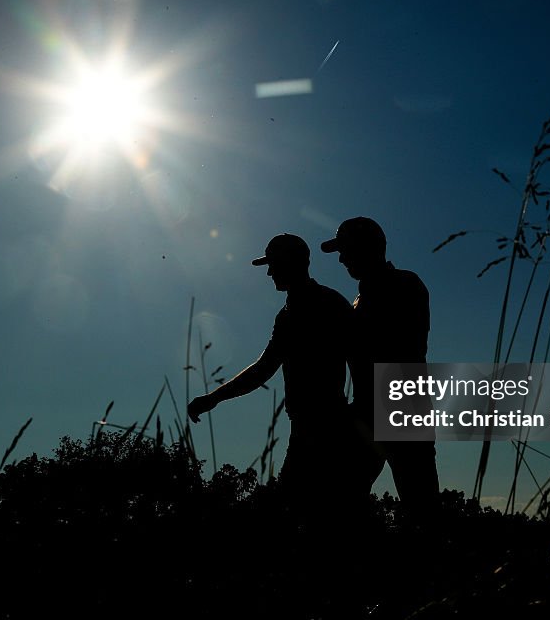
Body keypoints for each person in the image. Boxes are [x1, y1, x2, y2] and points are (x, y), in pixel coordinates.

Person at [187, 233, 353, 523]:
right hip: (305, 428)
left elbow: (361, 360)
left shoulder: (328, 304)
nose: (269, 272)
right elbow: (264, 368)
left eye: (273, 264)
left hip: (328, 429)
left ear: (292, 263)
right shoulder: (287, 315)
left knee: (312, 514)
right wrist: (214, 398)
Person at [321, 216, 440, 527]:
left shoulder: (404, 284)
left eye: (347, 250)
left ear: (369, 248)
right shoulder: (360, 298)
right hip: (368, 411)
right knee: (341, 501)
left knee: (420, 507)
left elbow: (400, 346)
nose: (343, 259)